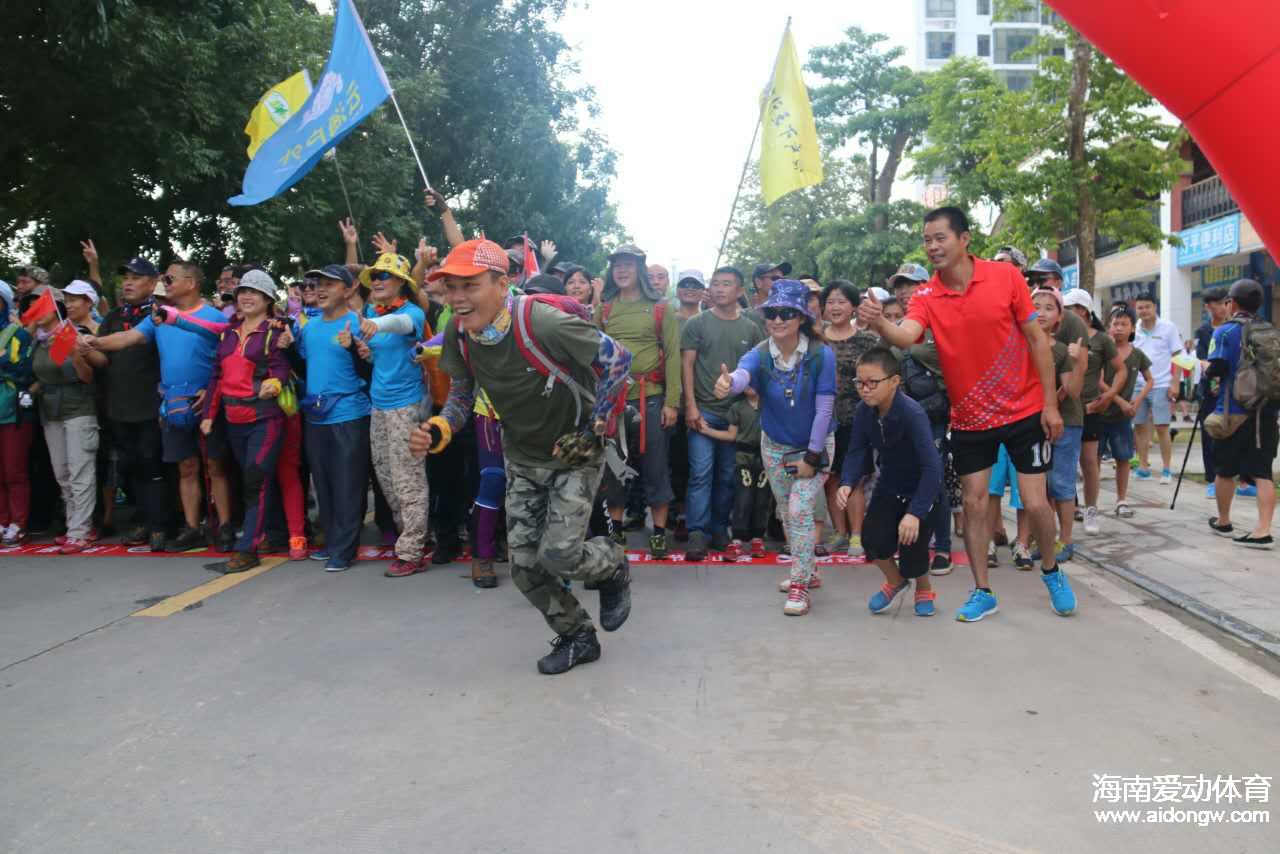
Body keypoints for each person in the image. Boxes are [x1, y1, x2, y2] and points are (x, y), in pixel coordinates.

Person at [412, 238, 634, 675]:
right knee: (525, 566)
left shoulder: (542, 322)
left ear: (502, 282)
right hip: (522, 455)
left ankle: (613, 565)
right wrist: (440, 426)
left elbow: (619, 361)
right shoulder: (461, 331)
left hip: (574, 452)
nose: (457, 298)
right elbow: (461, 393)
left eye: (469, 285)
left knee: (561, 554)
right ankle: (578, 636)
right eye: (450, 287)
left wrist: (594, 431)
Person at [860, 206, 1077, 622]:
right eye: (927, 240)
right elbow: (906, 336)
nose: (932, 246)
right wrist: (878, 326)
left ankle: (1051, 569)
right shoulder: (926, 295)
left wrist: (1050, 404)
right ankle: (983, 591)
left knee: (1035, 503)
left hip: (1025, 408)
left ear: (964, 239)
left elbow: (1036, 340)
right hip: (971, 418)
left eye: (940, 237)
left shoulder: (1005, 277)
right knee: (975, 506)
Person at [92, 260, 234, 552]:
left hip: (206, 401)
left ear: (191, 283)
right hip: (173, 403)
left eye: (170, 279)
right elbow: (128, 337)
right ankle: (193, 528)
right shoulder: (159, 317)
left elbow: (229, 360)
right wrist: (93, 342)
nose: (164, 283)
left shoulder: (214, 316)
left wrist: (211, 391)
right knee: (186, 467)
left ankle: (226, 525)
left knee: (216, 466)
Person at [716, 279, 836, 617]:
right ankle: (809, 571)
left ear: (800, 318)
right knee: (787, 509)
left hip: (816, 445)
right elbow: (742, 374)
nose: (778, 319)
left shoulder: (820, 355)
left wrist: (813, 456)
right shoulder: (759, 353)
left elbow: (825, 410)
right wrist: (730, 383)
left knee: (799, 510)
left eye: (786, 313)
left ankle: (798, 583)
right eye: (772, 313)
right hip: (775, 444)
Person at [190, 270, 290, 572]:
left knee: (255, 480)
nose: (246, 297)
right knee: (249, 481)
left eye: (254, 293)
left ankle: (248, 548)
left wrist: (276, 383)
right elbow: (216, 377)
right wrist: (208, 415)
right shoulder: (227, 333)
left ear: (268, 300)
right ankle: (270, 535)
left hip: (265, 417)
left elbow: (281, 368)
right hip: (233, 419)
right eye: (242, 292)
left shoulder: (276, 331)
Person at [837, 347, 942, 617]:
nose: (865, 389)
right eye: (859, 382)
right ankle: (895, 582)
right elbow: (856, 450)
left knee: (913, 553)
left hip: (921, 489)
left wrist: (915, 513)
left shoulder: (912, 413)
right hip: (889, 485)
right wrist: (847, 482)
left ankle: (924, 587)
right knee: (872, 542)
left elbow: (932, 468)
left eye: (873, 382)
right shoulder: (864, 411)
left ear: (894, 381)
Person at [597, 244, 681, 557]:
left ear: (639, 270)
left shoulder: (661, 307)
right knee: (615, 467)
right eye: (617, 265)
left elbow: (672, 355)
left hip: (653, 399)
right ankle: (615, 531)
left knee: (656, 467)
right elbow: (595, 357)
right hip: (614, 402)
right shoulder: (604, 308)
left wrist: (673, 402)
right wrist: (600, 406)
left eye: (628, 265)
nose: (621, 270)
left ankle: (658, 532)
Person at [286, 265, 372, 571]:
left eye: (330, 284)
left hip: (349, 415)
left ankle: (345, 550)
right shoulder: (309, 328)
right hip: (317, 416)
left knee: (348, 484)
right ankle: (334, 542)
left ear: (348, 291)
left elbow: (369, 371)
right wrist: (287, 351)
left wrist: (353, 349)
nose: (320, 289)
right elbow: (306, 369)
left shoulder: (359, 323)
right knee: (323, 484)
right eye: (317, 283)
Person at [81, 257, 170, 550]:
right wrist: (80, 348)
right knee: (130, 469)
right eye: (126, 277)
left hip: (151, 406)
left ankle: (160, 525)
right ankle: (143, 520)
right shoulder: (114, 316)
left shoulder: (161, 315)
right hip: (119, 407)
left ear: (153, 281)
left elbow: (126, 343)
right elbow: (103, 360)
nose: (128, 282)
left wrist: (93, 343)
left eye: (136, 277)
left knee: (153, 466)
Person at [681, 265, 763, 560]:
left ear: (740, 291)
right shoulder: (697, 324)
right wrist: (689, 405)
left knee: (728, 475)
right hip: (702, 410)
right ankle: (697, 532)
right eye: (715, 284)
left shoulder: (752, 328)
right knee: (700, 473)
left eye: (726, 284)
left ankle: (719, 528)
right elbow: (687, 366)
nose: (719, 289)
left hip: (736, 415)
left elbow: (756, 370)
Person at [357, 253, 432, 577]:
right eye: (374, 275)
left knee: (408, 479)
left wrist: (375, 325)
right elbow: (384, 358)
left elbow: (400, 326)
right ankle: (412, 539)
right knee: (387, 477)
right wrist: (367, 351)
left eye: (384, 276)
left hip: (407, 406)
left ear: (401, 282)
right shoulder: (372, 311)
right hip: (379, 405)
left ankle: (412, 550)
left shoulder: (410, 313)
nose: (377, 281)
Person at [1206, 278, 1277, 549]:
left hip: (1233, 412)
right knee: (1263, 473)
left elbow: (1216, 368)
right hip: (1266, 411)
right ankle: (1263, 529)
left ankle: (1224, 520)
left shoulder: (1224, 332)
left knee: (1225, 470)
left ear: (1232, 303)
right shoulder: (1270, 330)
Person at [30, 290, 99, 553]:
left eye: (41, 305)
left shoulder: (69, 334)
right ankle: (75, 524)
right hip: (51, 411)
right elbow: (43, 375)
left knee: (80, 470)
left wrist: (74, 353)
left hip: (78, 408)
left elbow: (86, 376)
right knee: (62, 472)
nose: (36, 310)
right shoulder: (39, 340)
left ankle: (80, 531)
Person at [820, 279, 879, 558]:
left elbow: (876, 377)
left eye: (842, 301)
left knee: (853, 478)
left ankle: (857, 535)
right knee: (831, 479)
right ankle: (839, 532)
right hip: (824, 421)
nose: (835, 307)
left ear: (854, 306)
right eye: (830, 301)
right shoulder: (816, 338)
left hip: (857, 420)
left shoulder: (866, 339)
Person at [1064, 289, 1127, 535]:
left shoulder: (1101, 339)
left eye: (1069, 308)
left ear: (1082, 310)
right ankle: (1068, 509)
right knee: (1064, 464)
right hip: (1066, 408)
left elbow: (1120, 370)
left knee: (1089, 462)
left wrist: (1109, 396)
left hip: (1091, 410)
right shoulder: (1061, 336)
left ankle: (1091, 509)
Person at [1032, 288, 1086, 562]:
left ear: (1059, 317)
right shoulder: (1022, 345)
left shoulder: (1063, 350)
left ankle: (1065, 540)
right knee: (1038, 485)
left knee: (1062, 483)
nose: (1041, 312)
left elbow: (1073, 391)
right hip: (1032, 424)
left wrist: (1077, 363)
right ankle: (1044, 538)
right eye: (1036, 306)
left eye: (1048, 307)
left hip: (1065, 423)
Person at [1101, 306, 1149, 519]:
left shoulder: (1137, 355)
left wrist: (1136, 401)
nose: (1119, 328)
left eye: (1124, 324)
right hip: (1100, 413)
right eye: (1115, 324)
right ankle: (1090, 502)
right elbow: (1098, 380)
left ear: (1132, 329)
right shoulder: (1102, 351)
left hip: (1123, 418)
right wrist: (1119, 400)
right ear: (1108, 327)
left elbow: (1151, 380)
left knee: (1123, 458)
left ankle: (1121, 499)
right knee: (1092, 459)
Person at [1131, 293, 1182, 484]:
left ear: (1155, 308)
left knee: (1162, 427)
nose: (1144, 311)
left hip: (1162, 384)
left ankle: (1167, 470)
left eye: (1147, 307)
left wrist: (1175, 382)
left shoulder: (1168, 328)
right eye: (1140, 307)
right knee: (1139, 426)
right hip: (1138, 386)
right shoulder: (1133, 329)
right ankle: (1143, 467)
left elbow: (1178, 356)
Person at [0, 280, 37, 545]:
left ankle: (18, 523)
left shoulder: (17, 333)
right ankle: (2, 521)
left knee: (14, 471)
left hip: (12, 410)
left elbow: (25, 371)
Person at [724, 389, 770, 559]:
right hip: (744, 457)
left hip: (766, 457)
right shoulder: (738, 407)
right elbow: (731, 435)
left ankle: (758, 538)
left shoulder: (770, 405)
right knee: (743, 498)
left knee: (762, 499)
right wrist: (707, 431)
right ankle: (737, 539)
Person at [1195, 287, 1231, 497]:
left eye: (1225, 302)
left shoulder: (1234, 327)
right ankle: (1211, 479)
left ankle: (1239, 479)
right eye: (1216, 304)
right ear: (1208, 307)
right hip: (1209, 389)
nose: (1222, 307)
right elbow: (1201, 359)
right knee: (1208, 435)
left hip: (1232, 388)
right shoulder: (1204, 331)